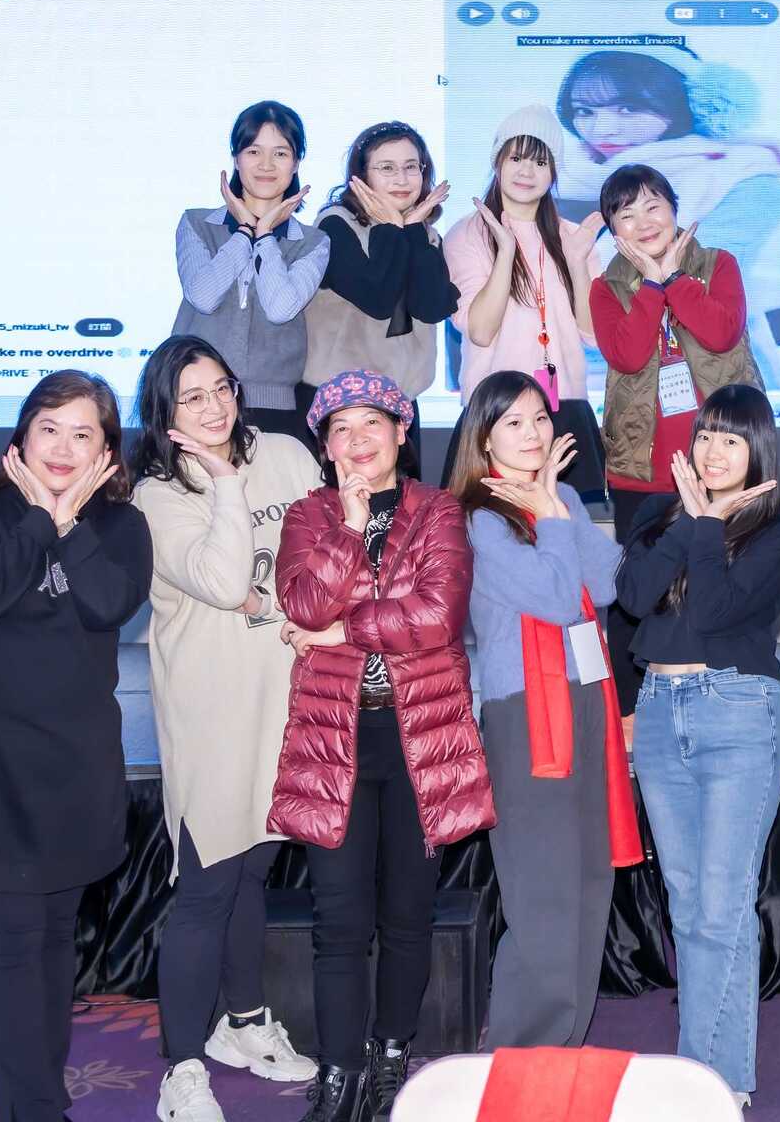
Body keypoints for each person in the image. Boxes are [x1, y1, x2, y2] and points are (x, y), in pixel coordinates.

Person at [0, 371, 153, 1122]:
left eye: (84, 434)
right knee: (17, 948)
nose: (63, 447)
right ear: (21, 434)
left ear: (107, 452)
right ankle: (41, 1109)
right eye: (50, 428)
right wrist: (40, 520)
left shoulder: (122, 525)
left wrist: (71, 523)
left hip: (75, 772)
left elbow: (108, 601)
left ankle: (34, 1104)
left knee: (55, 946)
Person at [269, 369, 496, 1122]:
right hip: (331, 739)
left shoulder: (438, 511)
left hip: (419, 737)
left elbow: (437, 614)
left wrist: (340, 630)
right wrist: (347, 525)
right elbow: (302, 602)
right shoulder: (308, 515)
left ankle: (391, 1054)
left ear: (402, 432)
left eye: (372, 423)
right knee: (337, 923)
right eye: (340, 429)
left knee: (407, 915)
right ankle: (339, 1075)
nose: (357, 440)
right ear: (324, 446)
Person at [132, 337, 322, 1122]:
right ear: (165, 413)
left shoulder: (286, 453)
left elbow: (327, 556)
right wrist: (225, 486)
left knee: (251, 873)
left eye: (222, 388)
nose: (214, 407)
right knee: (208, 886)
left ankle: (243, 1024)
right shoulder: (157, 495)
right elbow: (219, 578)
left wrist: (268, 596)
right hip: (210, 711)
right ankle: (180, 1067)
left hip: (285, 698)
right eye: (192, 396)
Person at [615, 385, 780, 1106]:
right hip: (661, 712)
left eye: (732, 439)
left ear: (758, 450)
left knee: (720, 910)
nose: (714, 451)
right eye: (707, 435)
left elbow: (716, 611)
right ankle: (720, 1085)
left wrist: (710, 525)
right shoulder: (660, 516)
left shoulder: (774, 535)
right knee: (690, 909)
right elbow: (634, 599)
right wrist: (690, 520)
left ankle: (706, 1087)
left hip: (736, 712)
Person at [451, 370, 639, 1048]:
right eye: (514, 422)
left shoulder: (558, 499)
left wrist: (558, 504)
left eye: (539, 418)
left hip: (584, 699)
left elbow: (607, 583)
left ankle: (561, 1047)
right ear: (484, 439)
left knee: (587, 879)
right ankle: (520, 1053)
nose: (533, 433)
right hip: (527, 712)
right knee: (544, 889)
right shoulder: (480, 518)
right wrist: (553, 517)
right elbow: (558, 600)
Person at [589, 163, 763, 712]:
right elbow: (627, 354)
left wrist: (675, 280)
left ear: (675, 210)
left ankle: (727, 701)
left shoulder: (718, 265)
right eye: (626, 213)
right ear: (613, 229)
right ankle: (630, 712)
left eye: (653, 206)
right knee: (639, 595)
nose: (643, 222)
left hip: (723, 467)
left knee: (722, 585)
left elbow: (721, 332)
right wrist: (650, 286)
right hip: (642, 471)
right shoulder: (605, 287)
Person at [552, 46, 780, 379]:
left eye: (628, 108)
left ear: (682, 106)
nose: (602, 129)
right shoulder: (557, 182)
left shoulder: (742, 179)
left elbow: (700, 293)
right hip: (579, 376)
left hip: (705, 375)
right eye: (585, 111)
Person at [442, 105, 608, 498]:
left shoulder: (573, 236)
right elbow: (480, 331)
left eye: (540, 162)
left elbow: (593, 335)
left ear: (554, 172)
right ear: (497, 162)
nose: (527, 171)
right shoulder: (466, 235)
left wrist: (577, 263)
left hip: (565, 408)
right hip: (494, 411)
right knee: (488, 527)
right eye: (516, 158)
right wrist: (505, 252)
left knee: (571, 527)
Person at [304, 121, 459, 475]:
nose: (401, 179)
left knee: (405, 507)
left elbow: (431, 307)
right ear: (361, 176)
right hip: (341, 407)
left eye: (411, 167)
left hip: (401, 404)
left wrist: (413, 231)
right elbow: (377, 296)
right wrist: (393, 228)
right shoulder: (335, 224)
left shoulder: (425, 234)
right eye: (387, 168)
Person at [174, 100, 329, 439]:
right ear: (236, 158)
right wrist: (244, 232)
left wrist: (265, 235)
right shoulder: (197, 223)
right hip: (196, 402)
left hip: (274, 407)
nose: (266, 165)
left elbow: (280, 308)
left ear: (296, 163)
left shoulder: (313, 241)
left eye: (280, 153)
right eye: (254, 151)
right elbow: (203, 297)